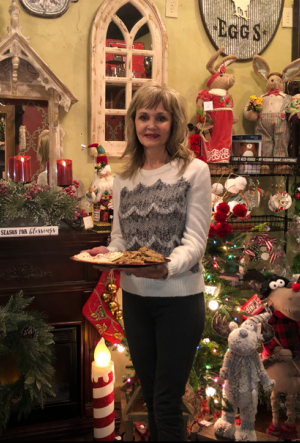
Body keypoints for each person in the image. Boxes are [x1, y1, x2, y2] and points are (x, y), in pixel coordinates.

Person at [83, 82, 212, 441]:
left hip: (180, 301)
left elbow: (195, 241)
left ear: (174, 124)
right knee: (153, 398)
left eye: (161, 117)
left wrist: (167, 267)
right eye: (143, 117)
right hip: (136, 300)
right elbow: (121, 239)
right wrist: (108, 256)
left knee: (167, 402)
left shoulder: (194, 171)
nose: (151, 125)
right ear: (133, 122)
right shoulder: (123, 179)